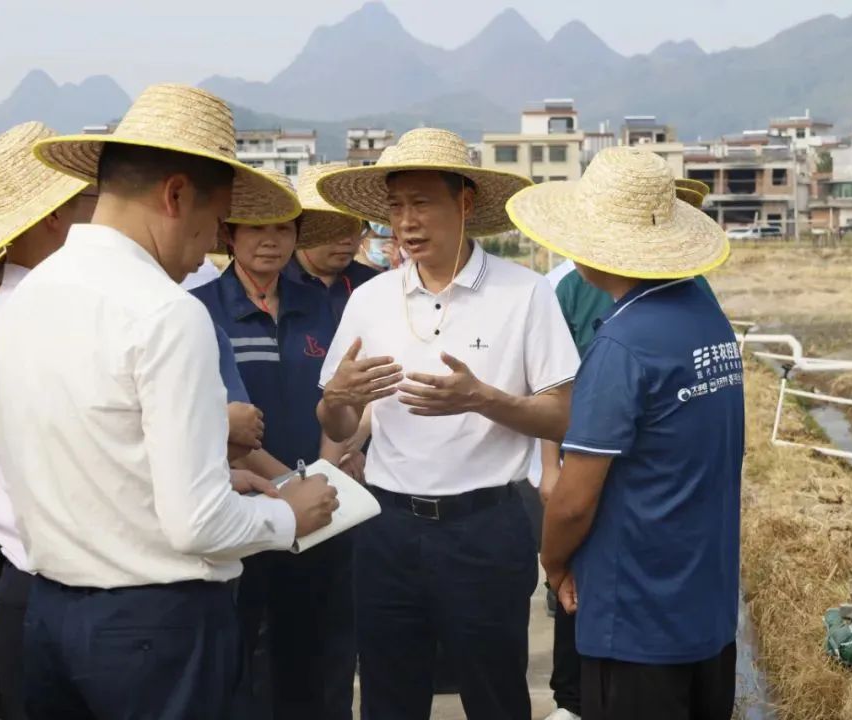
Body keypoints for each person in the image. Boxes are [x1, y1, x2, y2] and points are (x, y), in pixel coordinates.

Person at [0, 83, 338, 719]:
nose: (212, 247)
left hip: (51, 612)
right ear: (175, 195)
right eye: (216, 223)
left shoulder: (26, 300)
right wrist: (290, 516)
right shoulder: (168, 314)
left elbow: (75, 452)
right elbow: (195, 523)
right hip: (155, 628)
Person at [315, 128, 579, 720]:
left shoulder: (525, 294)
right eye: (396, 206)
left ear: (464, 204)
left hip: (485, 527)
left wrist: (482, 399)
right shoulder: (371, 298)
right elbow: (336, 422)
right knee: (387, 695)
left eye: (422, 202)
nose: (406, 222)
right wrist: (337, 397)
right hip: (387, 527)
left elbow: (561, 412)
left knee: (495, 694)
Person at [510, 148, 744, 720]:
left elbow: (574, 499)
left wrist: (555, 563)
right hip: (705, 603)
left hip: (638, 614)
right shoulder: (705, 315)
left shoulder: (620, 345)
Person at [190, 162, 359, 719]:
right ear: (229, 235)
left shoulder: (328, 308)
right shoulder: (201, 312)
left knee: (321, 647)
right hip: (244, 506)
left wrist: (326, 475)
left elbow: (344, 399)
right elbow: (221, 421)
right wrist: (287, 483)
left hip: (325, 506)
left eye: (283, 229)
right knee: (246, 650)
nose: (271, 241)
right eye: (255, 228)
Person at [0, 121, 100, 720]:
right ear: (55, 218)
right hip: (49, 580)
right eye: (92, 203)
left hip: (34, 578)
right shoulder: (39, 319)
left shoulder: (17, 311)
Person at [283, 163, 378, 321]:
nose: (347, 239)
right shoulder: (274, 285)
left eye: (356, 226)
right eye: (335, 227)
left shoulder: (375, 286)